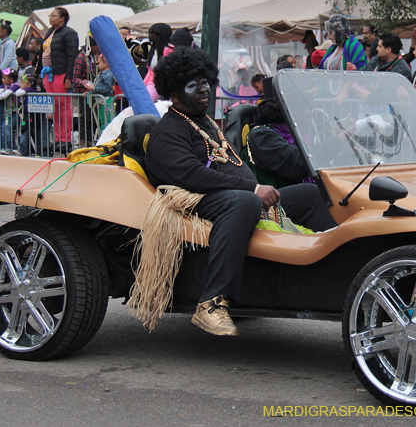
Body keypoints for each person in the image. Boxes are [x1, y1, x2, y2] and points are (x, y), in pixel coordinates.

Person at [145, 46, 337, 336]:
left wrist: (254, 188)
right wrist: (253, 187)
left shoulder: (205, 122)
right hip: (194, 202)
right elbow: (190, 175)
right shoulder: (170, 130)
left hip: (233, 196)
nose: (203, 90)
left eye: (205, 82)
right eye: (192, 85)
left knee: (308, 196)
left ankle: (340, 269)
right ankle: (211, 304)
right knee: (244, 202)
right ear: (173, 94)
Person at [244, 81, 314, 188]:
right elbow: (295, 164)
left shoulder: (299, 136)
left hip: (298, 194)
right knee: (313, 191)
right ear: (284, 111)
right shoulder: (261, 135)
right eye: (302, 108)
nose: (309, 113)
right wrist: (338, 141)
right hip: (274, 200)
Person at [40, 7, 79, 155]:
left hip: (61, 73)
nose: (51, 18)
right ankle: (57, 138)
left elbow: (71, 57)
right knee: (54, 107)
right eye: (50, 16)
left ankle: (66, 139)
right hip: (48, 73)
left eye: (54, 16)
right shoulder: (50, 32)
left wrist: (68, 78)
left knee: (64, 106)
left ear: (62, 18)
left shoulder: (69, 33)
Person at [0, 68, 21, 152]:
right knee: (4, 129)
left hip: (18, 112)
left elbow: (6, 94)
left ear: (11, 80)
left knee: (10, 129)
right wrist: (3, 90)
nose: (2, 80)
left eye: (4, 78)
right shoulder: (6, 86)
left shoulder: (15, 86)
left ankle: (11, 147)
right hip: (9, 112)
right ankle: (5, 146)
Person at [143, 23, 173, 101]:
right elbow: (150, 71)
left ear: (160, 34)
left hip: (162, 84)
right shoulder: (153, 51)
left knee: (146, 101)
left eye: (152, 32)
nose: (149, 35)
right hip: (152, 83)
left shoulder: (169, 50)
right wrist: (143, 85)